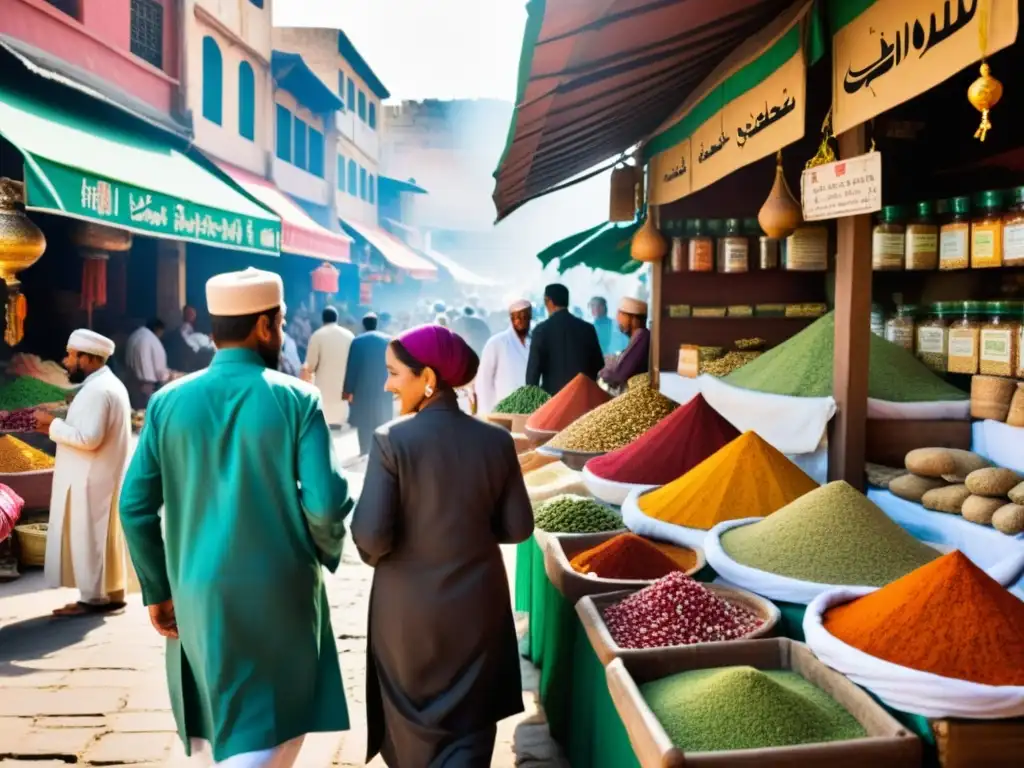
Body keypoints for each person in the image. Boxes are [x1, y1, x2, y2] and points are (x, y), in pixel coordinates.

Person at [118, 268, 352, 765]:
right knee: (272, 724)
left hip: (196, 594)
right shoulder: (296, 399)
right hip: (280, 590)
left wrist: (158, 591)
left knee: (215, 725)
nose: (283, 332)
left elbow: (133, 506)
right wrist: (325, 550)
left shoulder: (166, 403)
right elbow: (326, 504)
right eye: (282, 322)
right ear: (266, 326)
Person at [351, 324, 533, 768]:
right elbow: (518, 527)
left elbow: (371, 537)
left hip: (409, 615)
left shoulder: (391, 440)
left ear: (427, 377)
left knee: (414, 730)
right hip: (478, 609)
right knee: (470, 725)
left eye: (394, 373)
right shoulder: (497, 440)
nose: (387, 384)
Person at [33, 330, 131, 616]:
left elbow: (89, 438)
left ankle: (92, 600)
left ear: (88, 358)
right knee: (102, 537)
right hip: (99, 476)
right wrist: (57, 423)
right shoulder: (104, 386)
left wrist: (51, 424)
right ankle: (112, 594)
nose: (66, 361)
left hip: (91, 479)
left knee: (90, 538)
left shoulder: (99, 391)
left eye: (71, 355)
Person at [526, 283, 605, 395]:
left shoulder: (540, 331)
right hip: (583, 398)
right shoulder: (588, 329)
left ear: (548, 301)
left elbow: (532, 374)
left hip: (553, 400)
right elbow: (599, 364)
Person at [343, 313, 392, 456]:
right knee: (382, 419)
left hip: (362, 387)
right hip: (383, 386)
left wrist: (348, 390)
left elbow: (352, 367)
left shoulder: (357, 341)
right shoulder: (388, 340)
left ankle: (364, 450)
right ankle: (381, 451)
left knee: (364, 421)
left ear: (363, 325)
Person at [475, 299, 532, 415]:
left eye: (524, 316)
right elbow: (483, 381)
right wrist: (487, 413)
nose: (521, 320)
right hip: (502, 411)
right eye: (517, 317)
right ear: (511, 318)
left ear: (530, 316)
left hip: (530, 410)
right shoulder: (496, 343)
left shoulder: (535, 342)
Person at [303, 306, 355, 428]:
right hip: (344, 390)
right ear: (337, 319)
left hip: (323, 390)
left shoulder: (317, 335)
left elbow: (310, 366)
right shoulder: (349, 336)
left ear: (323, 319)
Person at [599, 297, 651, 391]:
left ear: (631, 317)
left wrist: (604, 371)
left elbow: (620, 374)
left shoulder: (642, 336)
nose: (618, 319)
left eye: (620, 314)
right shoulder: (637, 337)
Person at [124, 318, 171, 409]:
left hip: (131, 384)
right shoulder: (153, 341)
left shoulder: (134, 335)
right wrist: (169, 376)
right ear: (159, 330)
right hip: (146, 386)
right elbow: (160, 372)